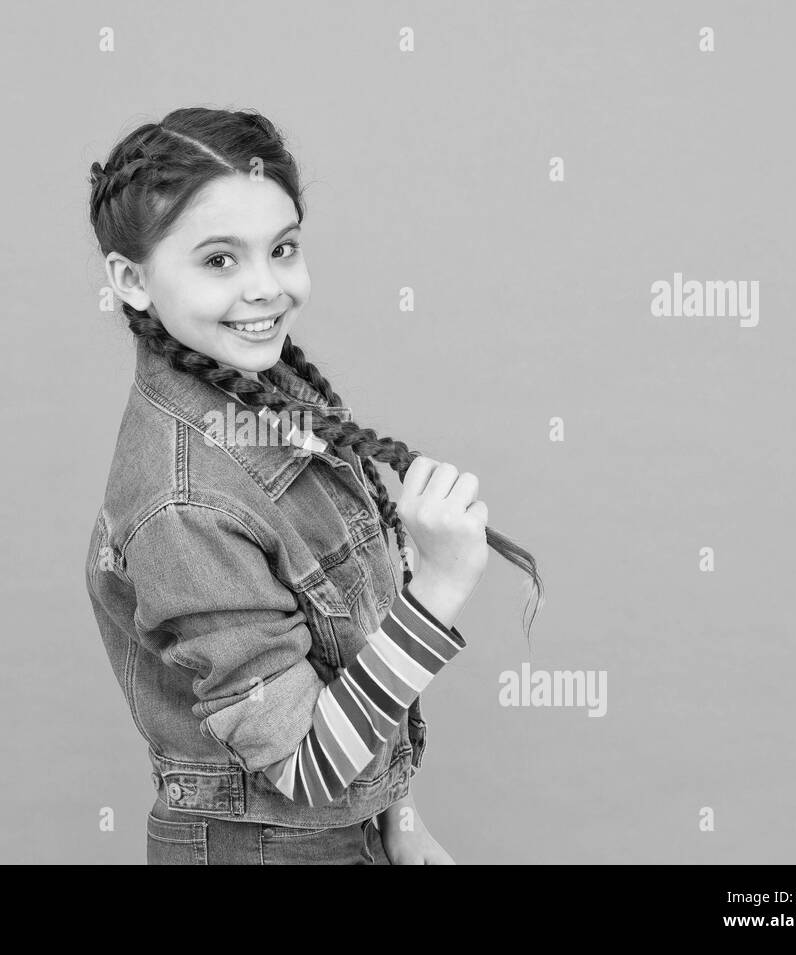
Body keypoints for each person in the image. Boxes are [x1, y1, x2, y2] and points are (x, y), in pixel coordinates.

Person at [84, 107, 543, 864]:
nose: (267, 287)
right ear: (132, 280)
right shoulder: (184, 501)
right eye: (219, 260)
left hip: (340, 834)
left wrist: (396, 812)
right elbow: (307, 766)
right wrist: (439, 584)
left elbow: (342, 645)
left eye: (283, 248)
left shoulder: (262, 391)